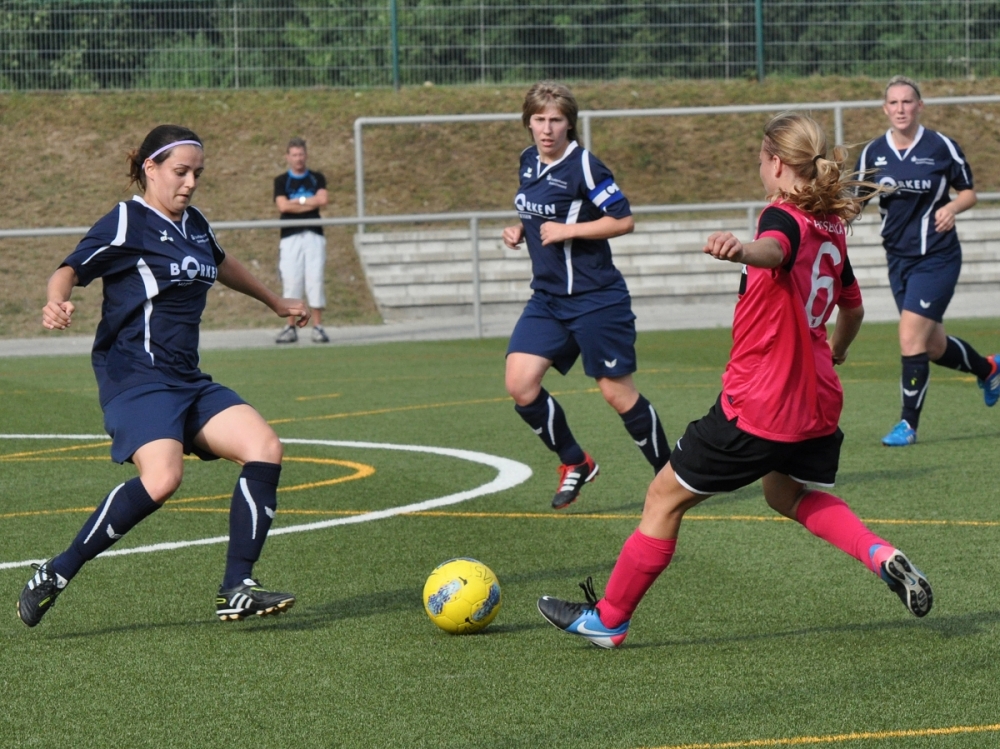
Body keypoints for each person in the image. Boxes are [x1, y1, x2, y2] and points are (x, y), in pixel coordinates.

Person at [537, 113, 933, 649]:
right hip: (815, 402)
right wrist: (836, 350)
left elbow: (775, 249)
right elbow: (854, 309)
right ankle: (878, 553)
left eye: (760, 160)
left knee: (663, 498)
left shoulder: (783, 217)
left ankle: (610, 619)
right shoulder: (831, 227)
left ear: (776, 162)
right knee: (785, 493)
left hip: (761, 402)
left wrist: (743, 250)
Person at [18, 125, 309, 627]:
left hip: (186, 378)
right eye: (180, 171)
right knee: (163, 478)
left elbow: (221, 262)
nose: (190, 182)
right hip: (135, 376)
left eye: (197, 173)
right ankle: (58, 570)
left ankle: (237, 587)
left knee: (265, 447)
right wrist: (55, 299)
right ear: (150, 168)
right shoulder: (127, 221)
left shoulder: (194, 222)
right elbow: (70, 269)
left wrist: (275, 301)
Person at [502, 81, 670, 510]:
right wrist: (521, 228)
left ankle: (671, 475)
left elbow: (623, 220)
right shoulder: (527, 160)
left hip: (596, 298)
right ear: (528, 122)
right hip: (549, 299)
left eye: (556, 120)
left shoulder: (584, 166)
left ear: (569, 124)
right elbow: (539, 209)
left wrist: (568, 231)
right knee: (520, 384)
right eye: (539, 119)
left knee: (616, 394)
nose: (547, 129)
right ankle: (575, 462)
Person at [855, 75, 998, 447]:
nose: (901, 108)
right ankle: (989, 368)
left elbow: (968, 193)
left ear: (920, 106)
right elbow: (854, 201)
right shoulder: (873, 153)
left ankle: (907, 424)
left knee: (909, 337)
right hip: (898, 259)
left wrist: (952, 207)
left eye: (907, 101)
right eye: (894, 102)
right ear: (885, 109)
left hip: (937, 257)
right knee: (931, 345)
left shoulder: (941, 146)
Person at [274, 137, 330, 344]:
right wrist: (308, 203)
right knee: (292, 280)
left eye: (301, 154)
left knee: (315, 279)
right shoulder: (282, 181)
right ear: (288, 157)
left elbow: (322, 200)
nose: (298, 158)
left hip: (314, 235)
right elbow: (283, 206)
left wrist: (298, 201)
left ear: (306, 155)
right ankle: (290, 327)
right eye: (294, 155)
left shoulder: (316, 178)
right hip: (290, 237)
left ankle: (318, 327)